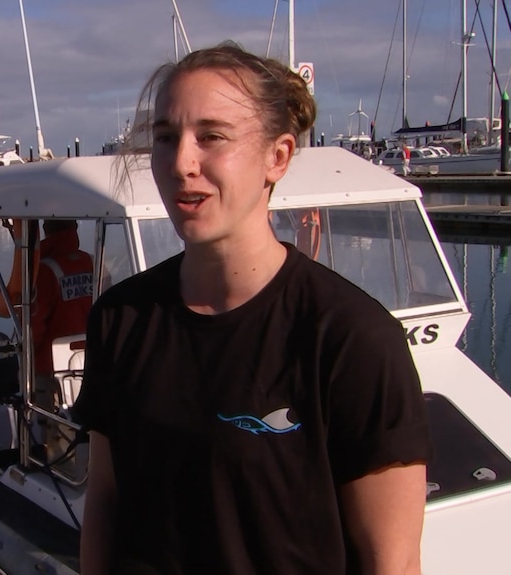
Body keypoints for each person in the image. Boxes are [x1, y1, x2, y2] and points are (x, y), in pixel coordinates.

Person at [72, 41, 431, 574]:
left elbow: (392, 562)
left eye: (211, 137)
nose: (180, 163)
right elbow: (106, 499)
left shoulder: (351, 338)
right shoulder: (121, 319)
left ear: (277, 157)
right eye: (166, 138)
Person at [31, 219, 93, 407]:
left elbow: (34, 326)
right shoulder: (91, 261)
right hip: (91, 361)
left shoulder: (42, 271)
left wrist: (25, 354)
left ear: (45, 231)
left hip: (50, 368)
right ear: (74, 229)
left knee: (52, 429)